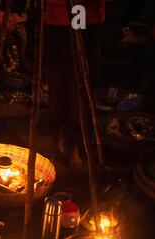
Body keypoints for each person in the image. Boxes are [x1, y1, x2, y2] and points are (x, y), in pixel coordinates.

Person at [45, 0, 105, 168]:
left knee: (80, 85)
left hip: (88, 18)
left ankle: (74, 144)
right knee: (57, 84)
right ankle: (57, 140)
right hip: (57, 21)